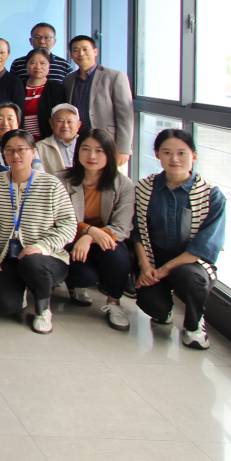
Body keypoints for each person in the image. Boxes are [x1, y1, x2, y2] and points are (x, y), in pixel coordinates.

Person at [131, 129, 227, 350]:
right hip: (154, 258)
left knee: (191, 278)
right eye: (167, 152)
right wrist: (145, 267)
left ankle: (194, 326)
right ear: (157, 155)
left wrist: (165, 270)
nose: (174, 159)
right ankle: (164, 310)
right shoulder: (144, 188)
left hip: (191, 262)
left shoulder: (211, 194)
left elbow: (204, 245)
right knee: (152, 305)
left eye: (182, 153)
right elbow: (136, 232)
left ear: (194, 156)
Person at [0, 130, 77, 334]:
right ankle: (22, 289)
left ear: (34, 152)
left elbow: (69, 225)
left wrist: (41, 246)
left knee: (32, 263)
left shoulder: (51, 184)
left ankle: (43, 310)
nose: (15, 155)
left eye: (21, 150)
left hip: (46, 257)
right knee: (5, 306)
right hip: (8, 257)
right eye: (9, 150)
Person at [62, 128, 135, 330]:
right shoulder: (61, 180)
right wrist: (88, 231)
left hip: (106, 240)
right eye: (85, 149)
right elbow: (57, 219)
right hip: (71, 240)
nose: (92, 156)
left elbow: (122, 227)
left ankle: (114, 303)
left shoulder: (123, 184)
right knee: (84, 276)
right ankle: (75, 285)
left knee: (117, 256)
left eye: (99, 150)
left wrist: (90, 236)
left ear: (109, 153)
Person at [64, 35, 134, 168]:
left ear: (95, 52)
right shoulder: (69, 80)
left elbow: (125, 116)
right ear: (71, 54)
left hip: (108, 142)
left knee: (110, 179)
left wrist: (124, 148)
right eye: (76, 50)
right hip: (79, 142)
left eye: (85, 49)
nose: (81, 54)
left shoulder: (114, 77)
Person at [20, 48, 68, 141]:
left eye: (43, 63)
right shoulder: (18, 87)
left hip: (47, 142)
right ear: (26, 65)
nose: (38, 67)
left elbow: (59, 117)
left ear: (49, 65)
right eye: (33, 63)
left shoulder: (57, 89)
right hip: (22, 141)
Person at [37, 103, 81, 175]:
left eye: (70, 122)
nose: (65, 126)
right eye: (60, 121)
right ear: (51, 123)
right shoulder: (39, 148)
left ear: (78, 125)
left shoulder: (86, 144)